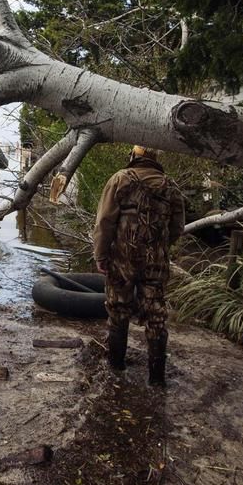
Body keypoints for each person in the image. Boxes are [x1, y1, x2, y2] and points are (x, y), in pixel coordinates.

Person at [92, 145, 187, 387]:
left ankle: (116, 367)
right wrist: (160, 249)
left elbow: (105, 223)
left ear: (134, 156)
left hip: (122, 261)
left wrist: (101, 255)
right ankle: (156, 379)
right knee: (156, 316)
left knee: (118, 309)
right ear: (155, 158)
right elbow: (177, 228)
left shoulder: (120, 179)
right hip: (155, 263)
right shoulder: (171, 186)